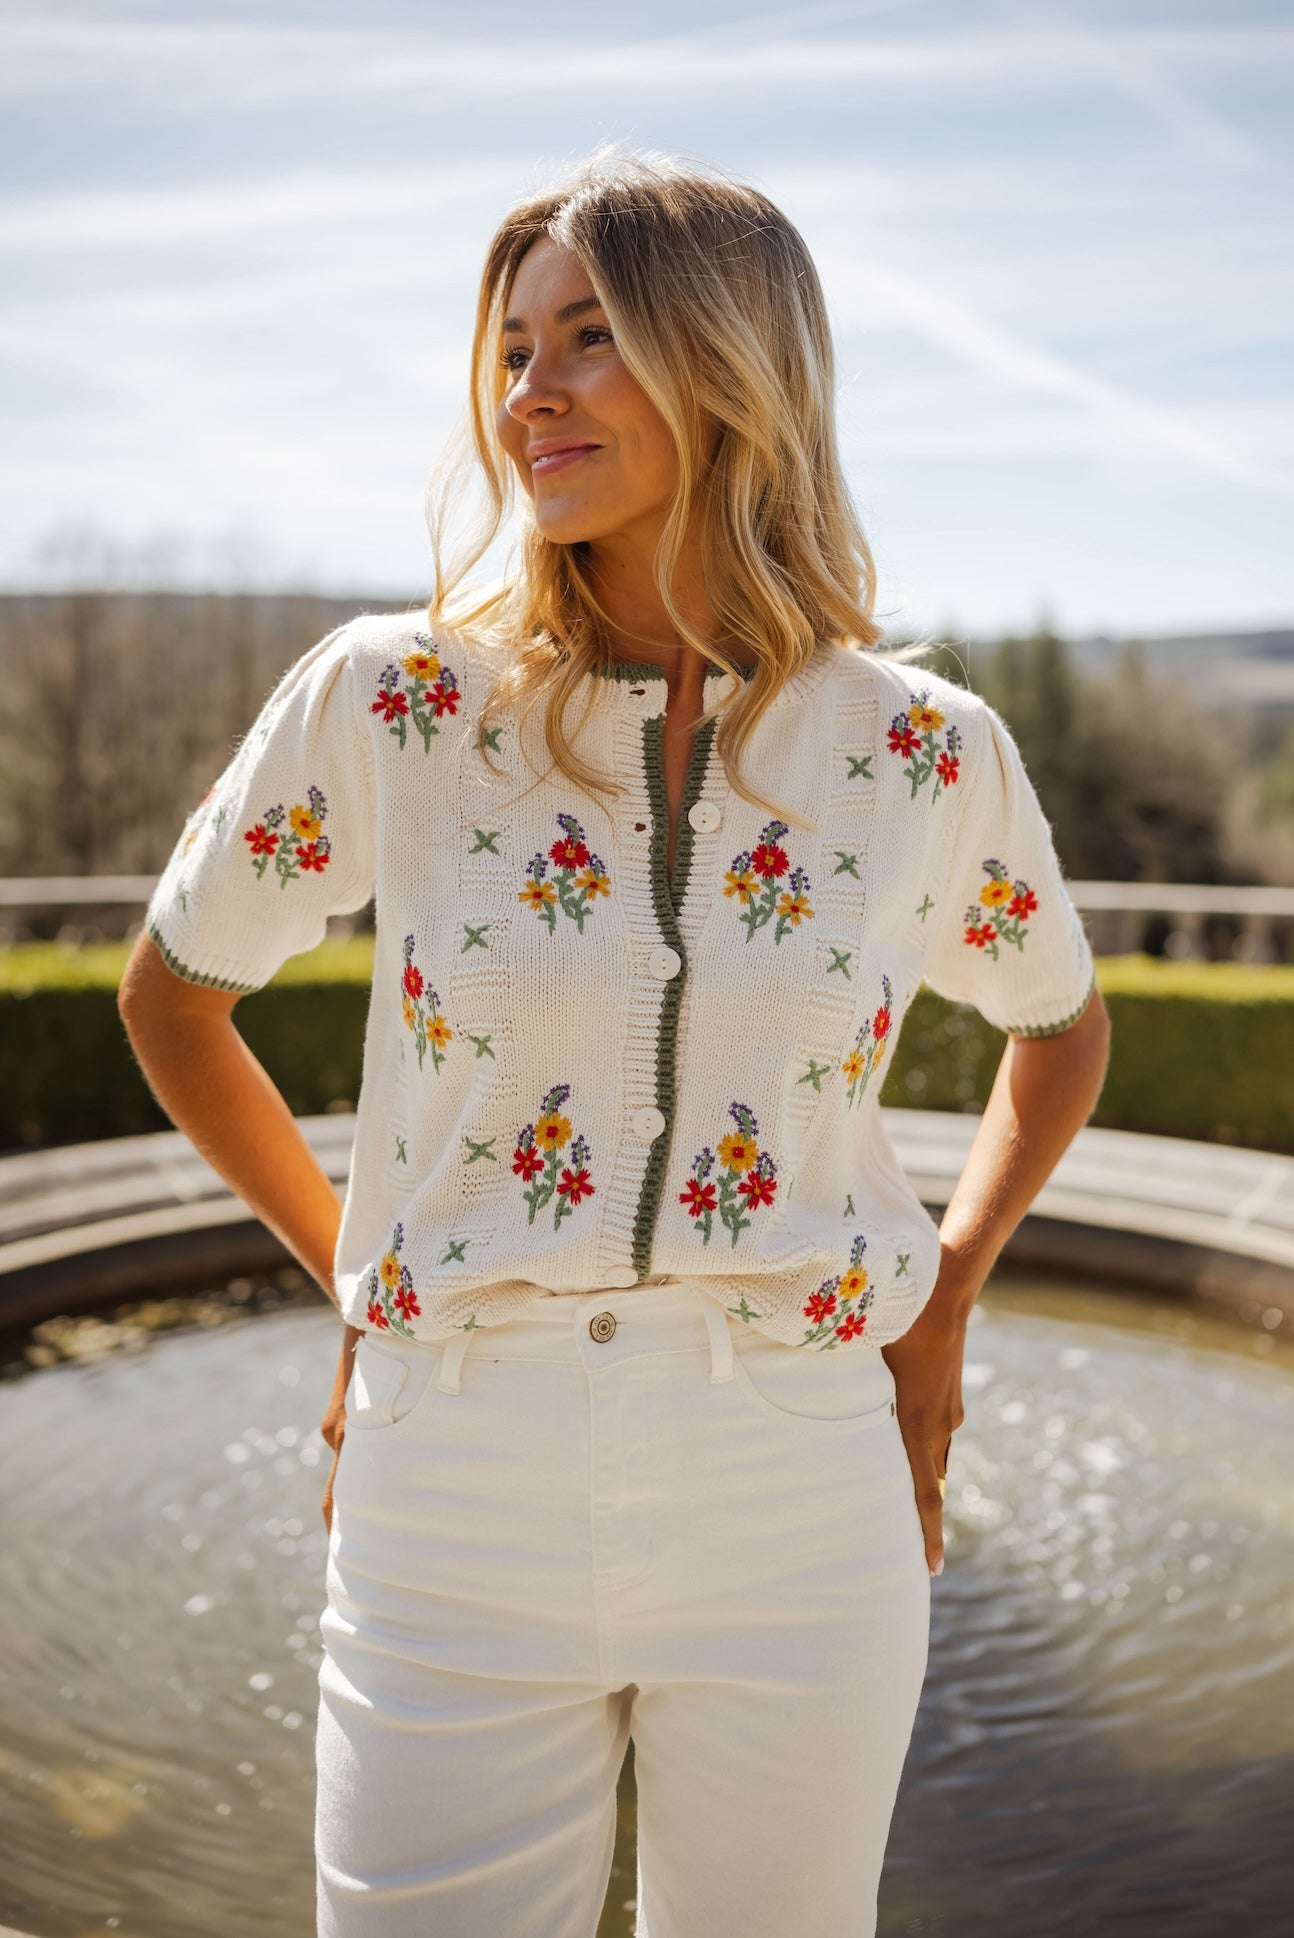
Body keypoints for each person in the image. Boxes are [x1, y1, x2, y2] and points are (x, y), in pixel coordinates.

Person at [119, 146, 1110, 1938]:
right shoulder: (394, 700)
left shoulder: (922, 751)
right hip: (451, 1484)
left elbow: (1058, 1025)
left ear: (730, 365)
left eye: (588, 337)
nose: (528, 393)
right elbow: (174, 995)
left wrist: (945, 1296)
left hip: (800, 1487)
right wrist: (353, 1278)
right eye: (512, 348)